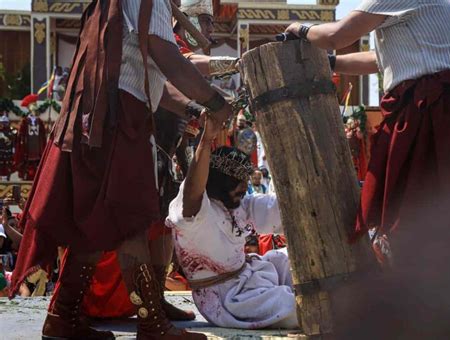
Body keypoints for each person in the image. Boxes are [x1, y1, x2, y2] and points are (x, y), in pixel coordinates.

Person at [10, 0, 233, 339]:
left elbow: (150, 76)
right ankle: (151, 324)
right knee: (130, 221)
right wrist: (216, 102)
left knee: (98, 219)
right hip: (118, 117)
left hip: (100, 113)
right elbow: (166, 58)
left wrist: (192, 109)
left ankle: (62, 317)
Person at [285, 0, 450, 338]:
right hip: (447, 112)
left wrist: (298, 29)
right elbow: (379, 60)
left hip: (436, 112)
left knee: (417, 217)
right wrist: (329, 62)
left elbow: (337, 34)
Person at [82, 0, 240, 323]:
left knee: (163, 228)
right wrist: (235, 66)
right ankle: (137, 311)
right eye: (205, 21)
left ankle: (156, 298)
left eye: (211, 22)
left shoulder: (166, 33)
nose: (209, 29)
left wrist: (197, 114)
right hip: (139, 136)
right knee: (132, 223)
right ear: (188, 19)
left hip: (165, 149)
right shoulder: (167, 37)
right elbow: (186, 64)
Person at [166, 113, 298, 329]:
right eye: (237, 182)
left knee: (287, 258)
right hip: (228, 298)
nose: (244, 187)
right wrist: (206, 140)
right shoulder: (196, 212)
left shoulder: (239, 204)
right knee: (292, 306)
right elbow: (192, 188)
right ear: (219, 182)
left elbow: (278, 208)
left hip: (250, 276)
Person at [15, 94, 47, 181]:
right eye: (33, 107)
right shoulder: (25, 121)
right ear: (29, 108)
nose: (35, 109)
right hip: (27, 149)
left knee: (37, 168)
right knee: (27, 168)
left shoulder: (39, 122)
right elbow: (20, 135)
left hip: (37, 148)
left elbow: (43, 136)